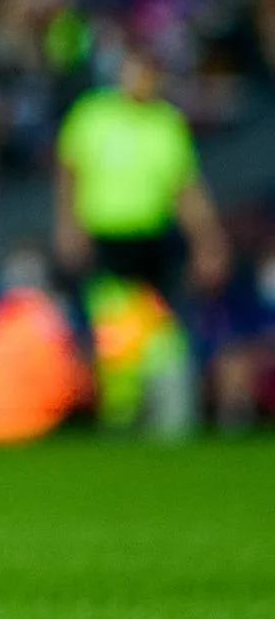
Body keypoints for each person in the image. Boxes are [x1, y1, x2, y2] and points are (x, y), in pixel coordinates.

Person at [54, 43, 229, 431]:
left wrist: (207, 241)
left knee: (158, 328)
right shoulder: (93, 116)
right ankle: (122, 412)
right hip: (106, 235)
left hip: (153, 236)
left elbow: (186, 189)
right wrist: (68, 225)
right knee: (113, 326)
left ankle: (163, 413)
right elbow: (68, 174)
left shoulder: (166, 123)